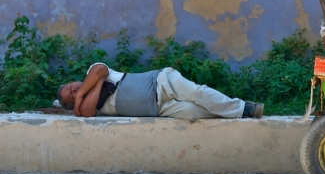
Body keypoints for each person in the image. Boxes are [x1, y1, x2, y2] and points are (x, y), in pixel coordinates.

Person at [57, 63, 264, 120]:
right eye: (71, 95)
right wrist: (82, 101)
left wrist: (84, 93)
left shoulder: (93, 71)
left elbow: (100, 71)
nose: (74, 90)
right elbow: (85, 111)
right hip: (160, 109)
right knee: (194, 113)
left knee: (197, 93)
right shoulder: (89, 102)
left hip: (161, 82)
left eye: (70, 87)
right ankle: (234, 112)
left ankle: (244, 107)